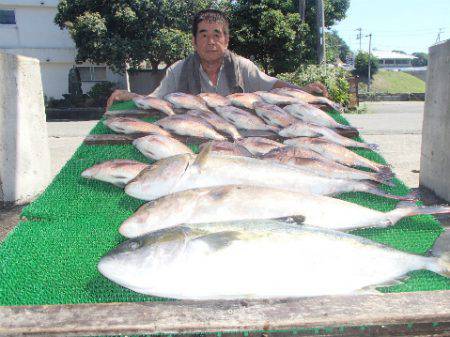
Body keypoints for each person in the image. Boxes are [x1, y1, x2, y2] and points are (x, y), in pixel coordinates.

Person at [106, 9, 327, 110]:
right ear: (194, 40)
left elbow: (271, 84)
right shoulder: (178, 70)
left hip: (238, 140)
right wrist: (131, 95)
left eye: (216, 34)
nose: (210, 41)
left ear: (227, 39)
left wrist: (301, 89)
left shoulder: (242, 66)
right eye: (203, 35)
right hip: (193, 141)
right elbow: (155, 99)